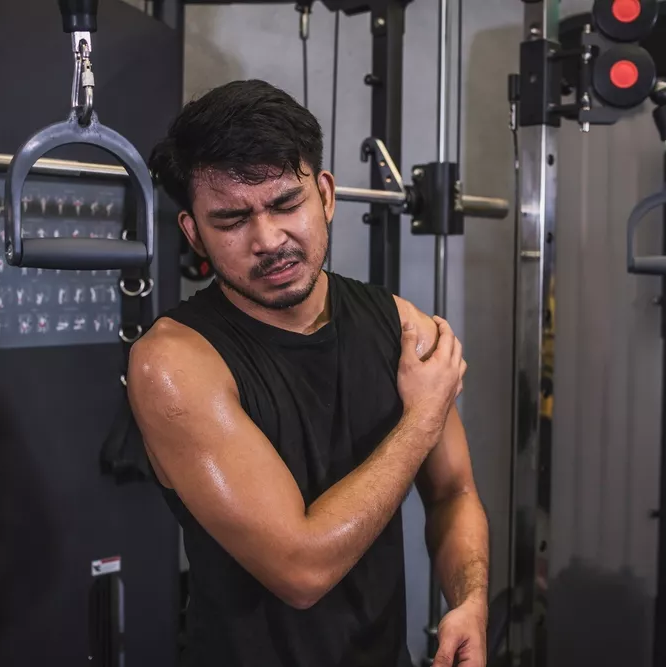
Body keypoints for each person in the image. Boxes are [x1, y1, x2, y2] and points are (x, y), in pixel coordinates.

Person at [128, 79, 489, 667]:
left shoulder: (403, 329)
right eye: (231, 220)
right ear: (194, 232)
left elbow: (454, 492)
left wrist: (470, 601)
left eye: (285, 204)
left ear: (324, 194)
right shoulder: (175, 362)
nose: (268, 239)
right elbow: (301, 570)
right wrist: (422, 419)